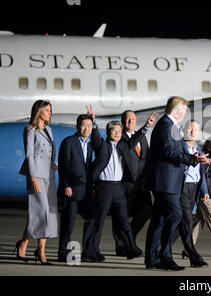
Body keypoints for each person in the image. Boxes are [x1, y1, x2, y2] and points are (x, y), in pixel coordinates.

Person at [144, 96, 210, 271]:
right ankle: (165, 257)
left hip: (168, 181)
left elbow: (175, 150)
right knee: (175, 214)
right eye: (184, 110)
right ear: (177, 111)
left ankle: (151, 259)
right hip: (165, 181)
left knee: (158, 221)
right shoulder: (166, 125)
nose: (185, 114)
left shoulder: (171, 126)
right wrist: (192, 159)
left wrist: (195, 157)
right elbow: (169, 152)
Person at [87, 105, 155, 261]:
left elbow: (135, 140)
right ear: (109, 132)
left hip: (118, 188)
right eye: (114, 131)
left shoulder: (123, 146)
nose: (117, 133)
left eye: (118, 132)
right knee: (100, 221)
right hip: (105, 187)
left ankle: (130, 249)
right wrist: (93, 121)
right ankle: (92, 250)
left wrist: (147, 126)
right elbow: (96, 138)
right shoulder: (102, 145)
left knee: (124, 220)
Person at [15, 100, 58, 265]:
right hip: (36, 176)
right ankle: (40, 250)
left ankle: (24, 244)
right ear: (38, 111)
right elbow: (30, 155)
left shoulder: (49, 129)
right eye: (47, 110)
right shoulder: (30, 130)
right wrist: (32, 178)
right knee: (41, 212)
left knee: (46, 214)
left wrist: (53, 165)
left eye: (50, 110)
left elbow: (49, 152)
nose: (49, 113)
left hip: (49, 175)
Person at [57, 114, 99, 263]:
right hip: (72, 189)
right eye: (83, 125)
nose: (86, 128)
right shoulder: (68, 142)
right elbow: (63, 166)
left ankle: (88, 251)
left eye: (89, 125)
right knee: (68, 223)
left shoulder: (89, 144)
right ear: (77, 126)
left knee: (92, 217)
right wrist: (66, 185)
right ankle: (63, 253)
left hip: (85, 190)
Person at [112, 110, 154, 257]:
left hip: (140, 185)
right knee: (120, 216)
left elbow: (146, 158)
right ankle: (121, 245)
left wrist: (146, 179)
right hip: (125, 184)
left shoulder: (142, 137)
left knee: (147, 211)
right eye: (127, 119)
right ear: (123, 121)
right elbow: (129, 147)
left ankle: (129, 237)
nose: (130, 122)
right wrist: (145, 128)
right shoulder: (119, 137)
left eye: (133, 119)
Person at [177, 120, 209, 268]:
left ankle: (161, 251)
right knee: (188, 222)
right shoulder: (180, 146)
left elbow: (200, 172)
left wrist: (204, 191)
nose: (192, 131)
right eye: (190, 128)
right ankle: (193, 256)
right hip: (182, 188)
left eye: (196, 129)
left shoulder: (198, 148)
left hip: (194, 189)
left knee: (177, 223)